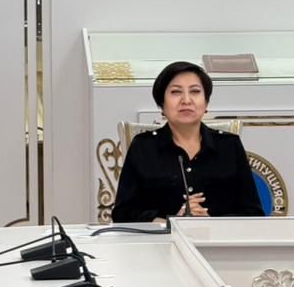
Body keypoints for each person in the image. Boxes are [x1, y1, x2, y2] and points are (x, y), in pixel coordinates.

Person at [112, 61, 263, 221]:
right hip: (163, 236)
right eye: (176, 92)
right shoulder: (143, 146)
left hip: (218, 237)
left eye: (195, 91)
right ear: (162, 104)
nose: (186, 100)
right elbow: (122, 213)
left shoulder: (229, 145)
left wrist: (211, 222)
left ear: (206, 102)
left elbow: (254, 213)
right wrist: (171, 222)